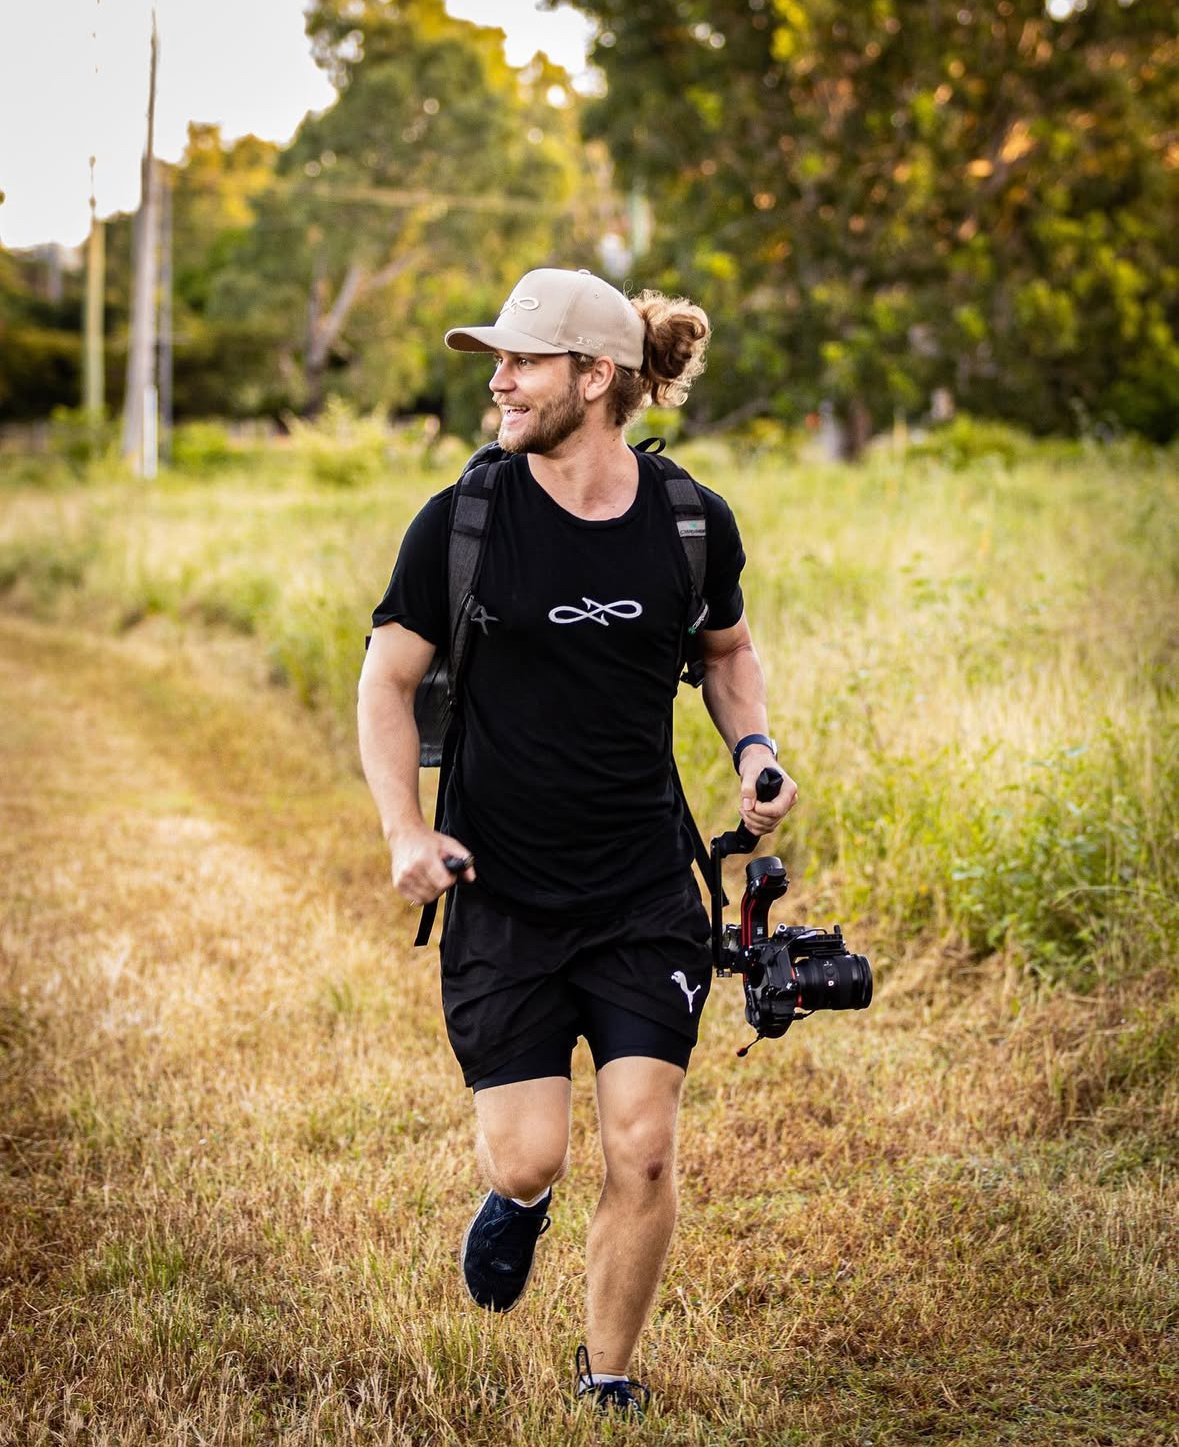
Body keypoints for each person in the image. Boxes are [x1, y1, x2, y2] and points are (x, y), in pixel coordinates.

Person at [357, 267, 797, 1416]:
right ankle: (520, 1203)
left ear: (594, 379)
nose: (497, 380)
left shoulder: (688, 521)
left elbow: (727, 654)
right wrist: (407, 829)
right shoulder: (465, 520)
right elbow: (387, 683)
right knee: (529, 1154)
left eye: (521, 361)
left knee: (644, 1144)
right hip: (500, 887)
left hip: (646, 885)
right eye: (497, 359)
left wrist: (754, 754)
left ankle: (608, 1378)